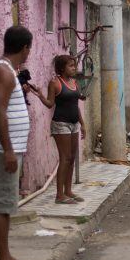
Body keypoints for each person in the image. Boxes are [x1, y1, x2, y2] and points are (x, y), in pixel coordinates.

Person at [0, 25, 33, 260]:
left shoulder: (8, 71)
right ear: (25, 48)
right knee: (2, 206)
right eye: (28, 49)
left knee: (7, 205)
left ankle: (6, 256)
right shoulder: (3, 72)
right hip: (1, 151)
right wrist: (8, 150)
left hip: (8, 150)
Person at [30, 55, 86, 204]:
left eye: (74, 65)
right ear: (62, 68)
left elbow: (76, 106)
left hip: (74, 124)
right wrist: (40, 95)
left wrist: (83, 125)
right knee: (65, 158)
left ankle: (68, 191)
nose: (74, 68)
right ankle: (59, 195)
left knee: (72, 157)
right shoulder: (55, 83)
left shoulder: (74, 83)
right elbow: (50, 104)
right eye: (71, 66)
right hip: (61, 124)